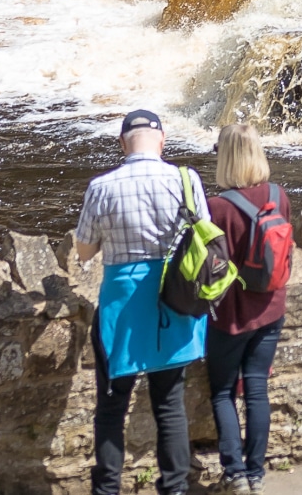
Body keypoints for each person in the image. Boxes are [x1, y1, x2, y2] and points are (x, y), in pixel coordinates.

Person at [75, 110, 209, 495]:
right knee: (169, 404)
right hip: (173, 303)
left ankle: (107, 490)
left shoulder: (102, 187)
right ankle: (176, 489)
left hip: (122, 308)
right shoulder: (187, 180)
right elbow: (204, 239)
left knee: (112, 407)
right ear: (163, 139)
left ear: (122, 143)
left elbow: (84, 251)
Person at [205, 124, 292, 494]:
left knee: (223, 392)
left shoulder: (218, 208)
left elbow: (209, 269)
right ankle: (256, 474)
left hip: (233, 317)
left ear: (225, 158)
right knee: (257, 388)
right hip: (272, 308)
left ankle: (235, 474)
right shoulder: (279, 195)